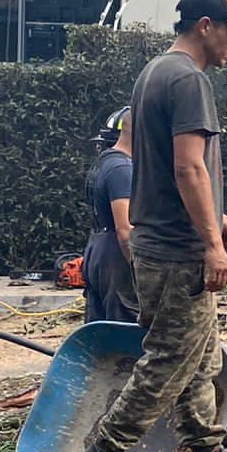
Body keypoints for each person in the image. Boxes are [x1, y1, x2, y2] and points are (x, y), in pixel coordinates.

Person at [76, 0, 227, 452]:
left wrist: (218, 218)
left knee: (200, 352)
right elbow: (189, 169)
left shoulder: (155, 72)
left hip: (163, 240)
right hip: (176, 251)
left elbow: (163, 168)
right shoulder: (188, 80)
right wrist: (210, 243)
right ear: (205, 25)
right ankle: (106, 451)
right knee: (170, 354)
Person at [83, 106, 138, 323]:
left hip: (99, 248)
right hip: (116, 257)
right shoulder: (122, 168)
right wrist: (139, 271)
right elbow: (125, 229)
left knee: (100, 326)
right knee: (123, 325)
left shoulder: (105, 162)